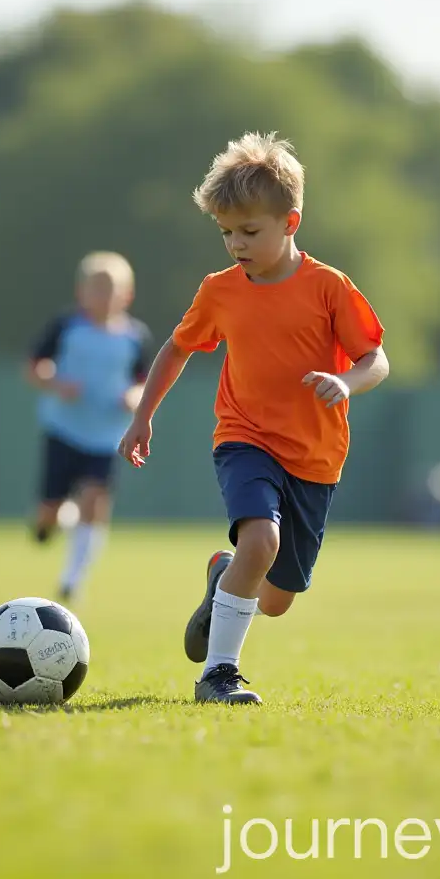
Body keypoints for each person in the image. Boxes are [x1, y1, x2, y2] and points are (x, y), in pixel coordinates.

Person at [118, 132, 389, 705]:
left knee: (277, 598)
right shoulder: (220, 292)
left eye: (248, 231)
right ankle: (219, 674)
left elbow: (376, 360)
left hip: (315, 458)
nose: (234, 244)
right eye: (225, 233)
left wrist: (346, 381)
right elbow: (176, 347)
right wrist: (143, 416)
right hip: (245, 441)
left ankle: (225, 574)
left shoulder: (329, 288)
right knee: (261, 538)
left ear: (290, 223)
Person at [26, 251, 152, 602]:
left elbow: (144, 381)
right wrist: (56, 383)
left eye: (111, 290)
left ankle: (72, 578)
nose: (103, 297)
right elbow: (34, 366)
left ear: (127, 295)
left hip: (107, 436)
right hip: (64, 429)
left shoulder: (135, 336)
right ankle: (56, 516)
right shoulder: (66, 327)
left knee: (96, 502)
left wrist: (133, 396)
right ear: (81, 292)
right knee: (46, 517)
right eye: (96, 289)